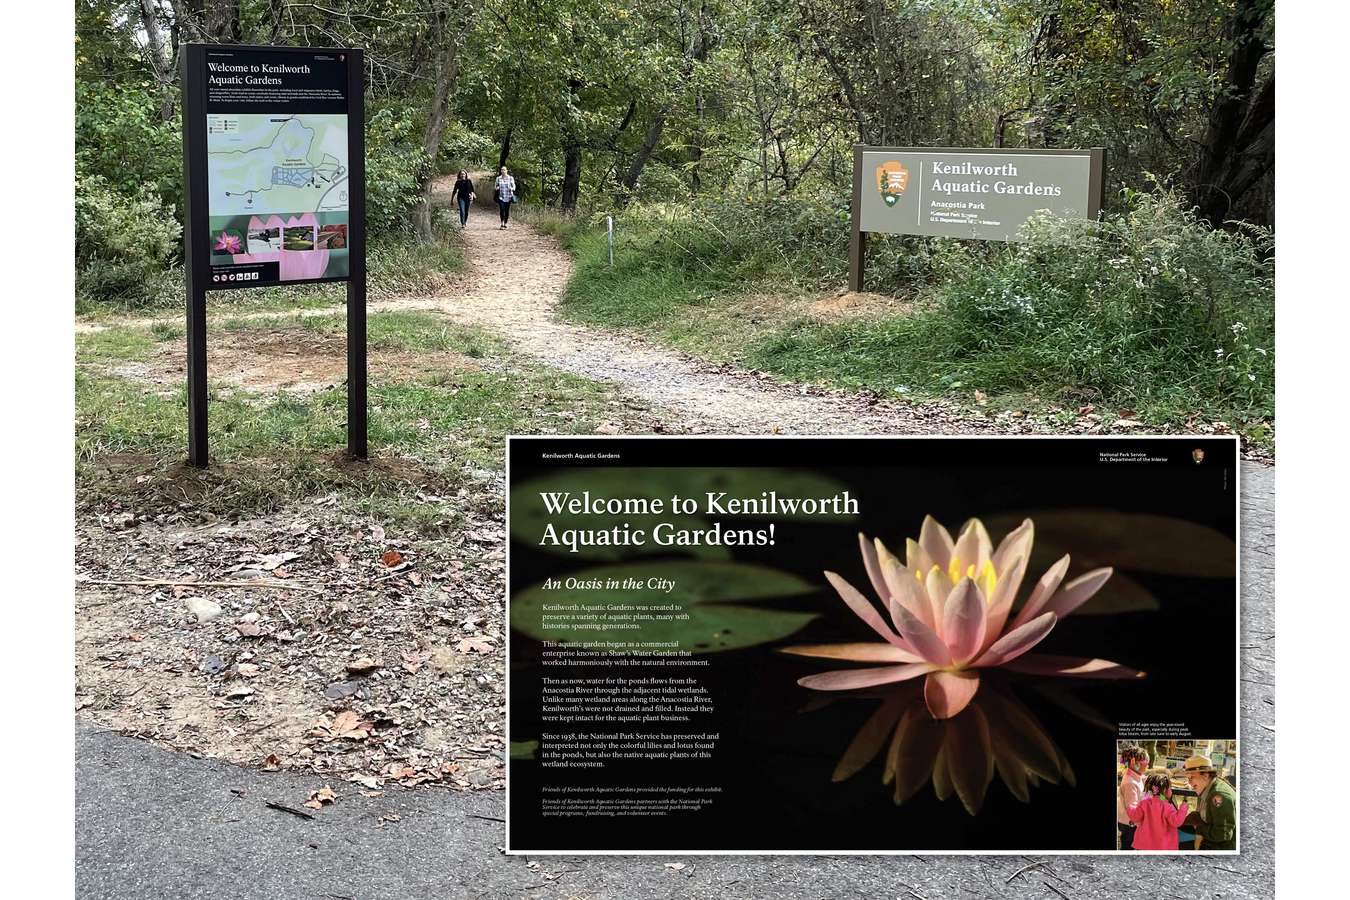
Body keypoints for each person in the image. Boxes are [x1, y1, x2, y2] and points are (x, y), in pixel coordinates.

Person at [1179, 755, 1237, 850]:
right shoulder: (1207, 787)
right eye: (1188, 778)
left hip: (1222, 847)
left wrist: (1198, 828)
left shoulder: (1219, 795)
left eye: (1191, 777)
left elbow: (1223, 834)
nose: (1189, 783)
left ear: (1205, 776)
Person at [1126, 773, 1189, 850]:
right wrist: (1183, 807)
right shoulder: (1167, 806)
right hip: (1163, 846)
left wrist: (1130, 807)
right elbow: (1176, 821)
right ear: (1165, 790)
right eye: (1170, 788)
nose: (1171, 791)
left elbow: (1135, 816)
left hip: (1145, 845)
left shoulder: (1144, 803)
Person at [1117, 746, 1147, 849]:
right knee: (1128, 848)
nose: (1148, 763)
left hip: (1132, 823)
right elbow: (1132, 810)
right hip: (1130, 824)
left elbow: (1146, 785)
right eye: (1146, 760)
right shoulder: (1130, 783)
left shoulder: (1136, 775)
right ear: (1135, 762)